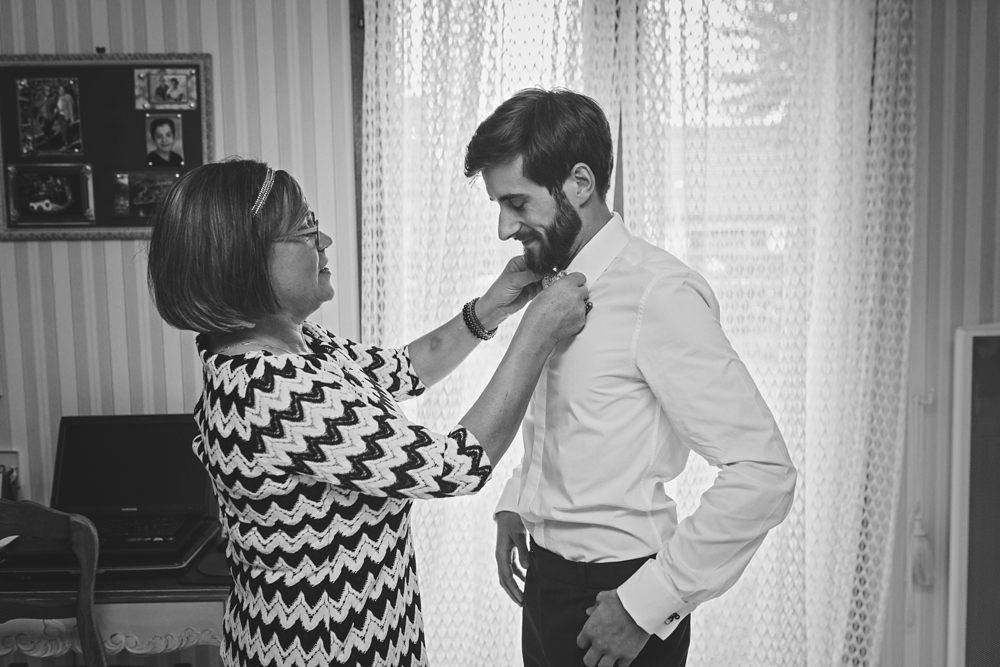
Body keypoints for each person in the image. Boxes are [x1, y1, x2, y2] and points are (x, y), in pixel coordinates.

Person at [146, 158, 590, 667]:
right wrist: (536, 333)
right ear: (242, 259)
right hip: (323, 650)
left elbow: (402, 369)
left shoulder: (293, 342)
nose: (324, 241)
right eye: (305, 229)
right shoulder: (269, 389)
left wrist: (491, 308)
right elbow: (453, 466)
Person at [464, 88, 798, 667]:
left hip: (617, 600)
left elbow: (764, 472)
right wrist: (518, 502)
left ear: (579, 184)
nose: (503, 229)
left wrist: (647, 604)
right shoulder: (552, 290)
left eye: (517, 203)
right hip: (544, 589)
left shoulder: (657, 294)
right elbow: (580, 423)